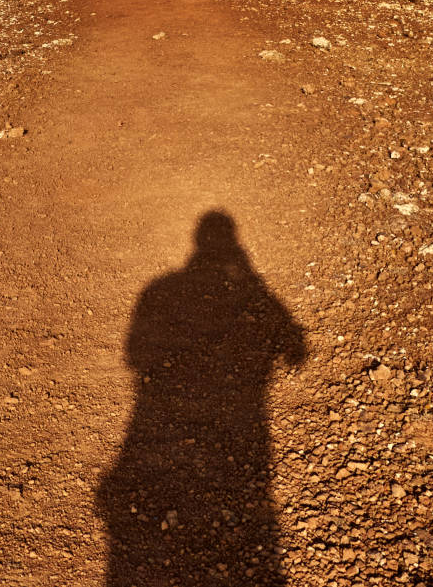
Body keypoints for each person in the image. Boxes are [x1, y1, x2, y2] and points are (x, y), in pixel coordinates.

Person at [96, 210, 307, 585]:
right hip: (243, 420)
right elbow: (290, 340)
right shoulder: (247, 285)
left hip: (163, 417)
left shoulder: (159, 289)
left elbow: (133, 355)